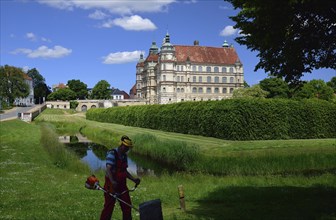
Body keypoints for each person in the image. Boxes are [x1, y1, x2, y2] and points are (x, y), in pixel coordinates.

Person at [100, 135, 140, 220]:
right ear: (121, 145)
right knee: (108, 208)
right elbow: (108, 169)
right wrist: (113, 181)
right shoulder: (112, 153)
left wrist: (134, 179)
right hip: (111, 185)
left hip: (122, 185)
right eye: (126, 147)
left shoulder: (124, 156)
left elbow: (124, 171)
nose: (127, 149)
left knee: (127, 206)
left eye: (128, 148)